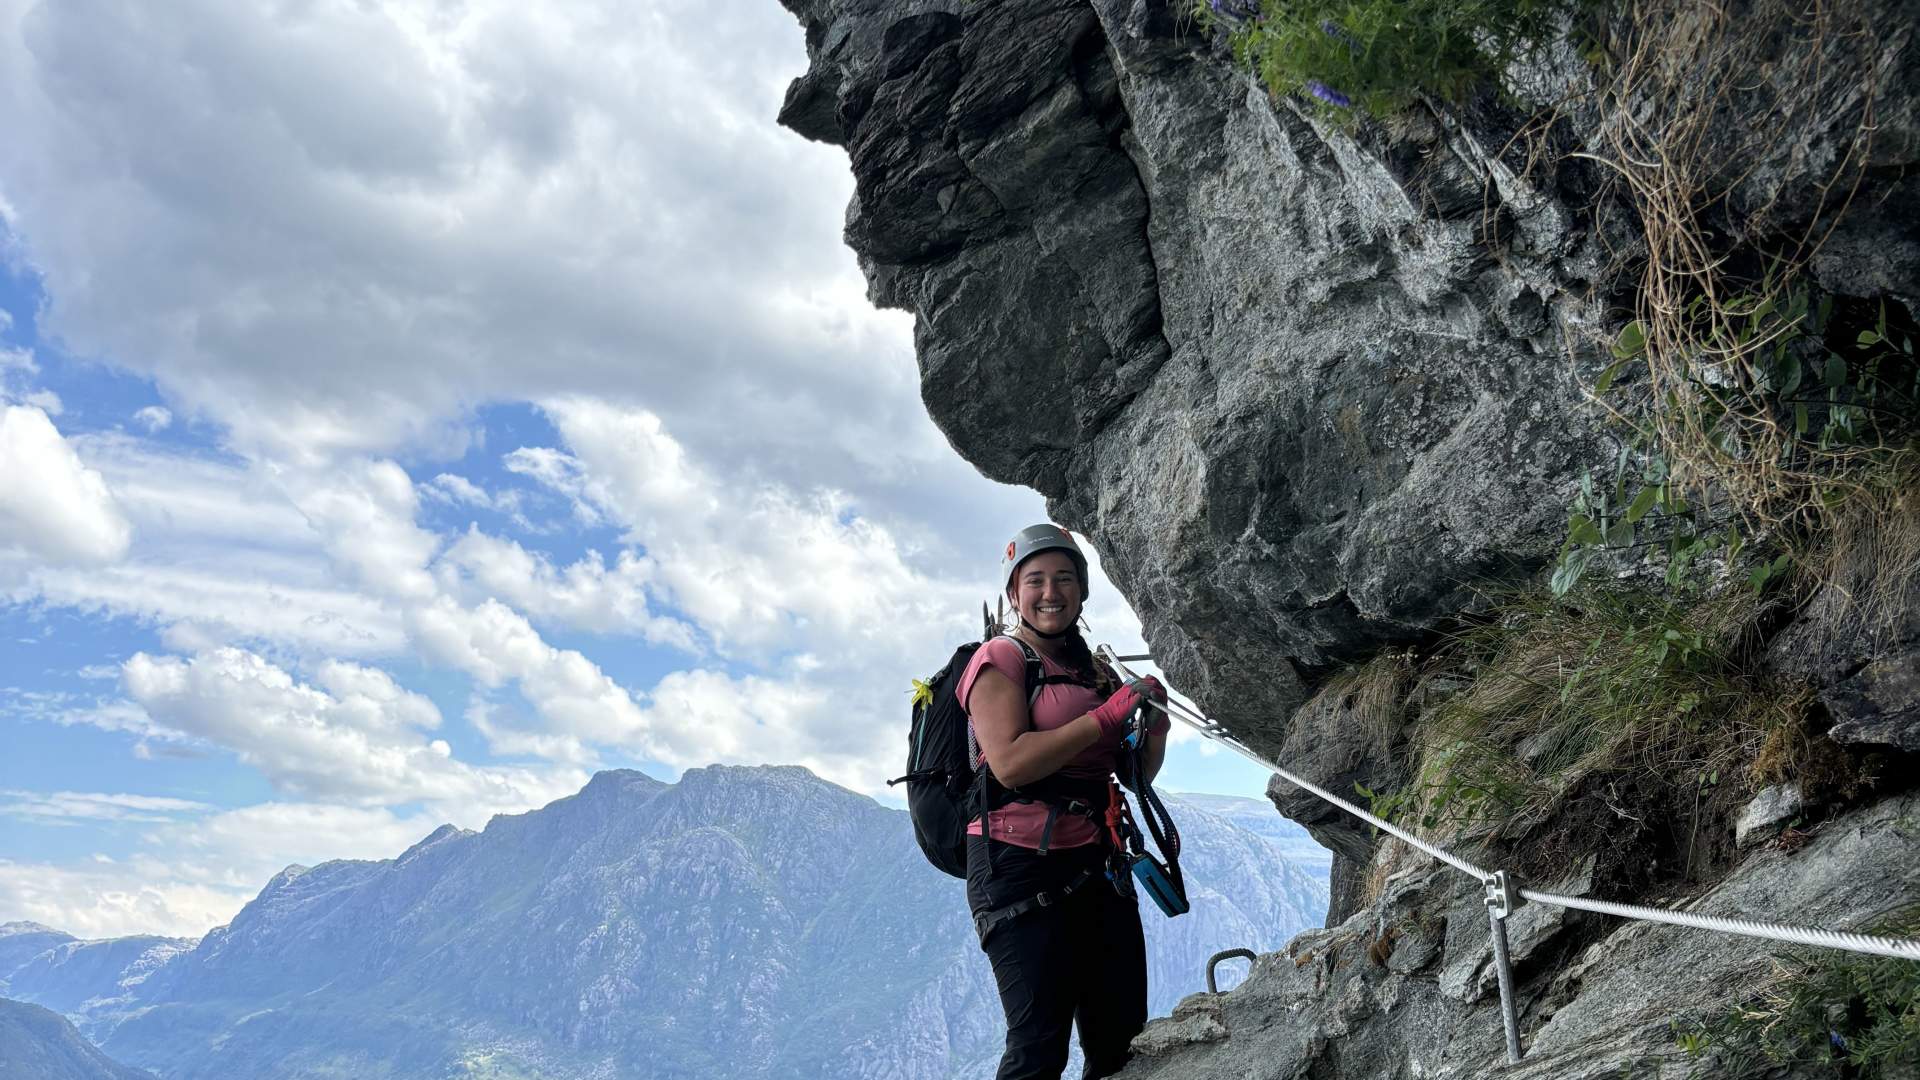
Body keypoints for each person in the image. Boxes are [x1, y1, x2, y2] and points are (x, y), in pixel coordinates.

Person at [955, 523, 1170, 1080]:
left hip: (1096, 865)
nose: (1051, 592)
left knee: (1120, 1037)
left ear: (1082, 590)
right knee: (1039, 1045)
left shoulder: (1093, 670)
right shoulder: (999, 660)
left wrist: (1154, 728)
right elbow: (1010, 762)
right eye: (1036, 580)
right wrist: (1106, 716)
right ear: (1014, 595)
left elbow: (1130, 774)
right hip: (1016, 866)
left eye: (1065, 579)